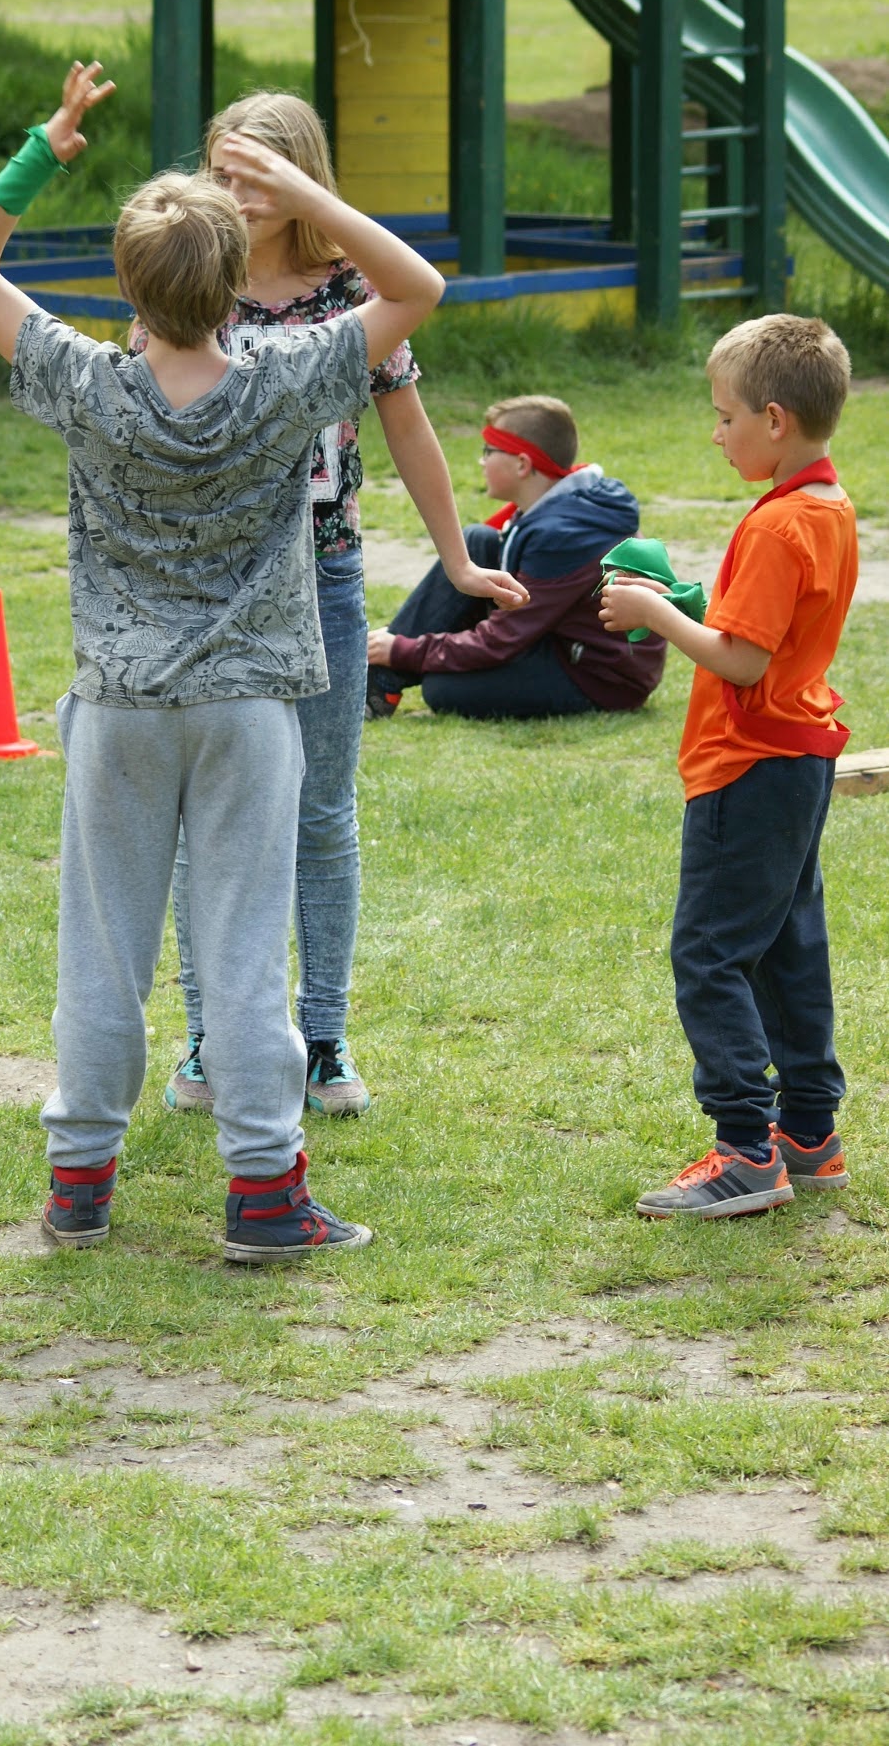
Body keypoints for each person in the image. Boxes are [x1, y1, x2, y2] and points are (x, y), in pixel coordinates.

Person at [0, 63, 450, 1262]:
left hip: (116, 707)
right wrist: (304, 194)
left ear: (124, 282)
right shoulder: (286, 376)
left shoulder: (83, 380)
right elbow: (415, 285)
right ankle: (266, 1195)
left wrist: (41, 151)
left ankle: (78, 1181)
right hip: (246, 711)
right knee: (241, 945)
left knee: (102, 945)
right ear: (237, 284)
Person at [143, 94, 523, 1122]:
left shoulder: (353, 288)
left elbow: (407, 431)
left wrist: (460, 559)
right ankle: (211, 1035)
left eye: (258, 174)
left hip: (324, 579)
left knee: (320, 813)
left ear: (301, 178)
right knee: (205, 815)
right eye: (222, 171)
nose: (236, 193)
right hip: (210, 589)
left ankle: (320, 1036)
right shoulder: (191, 280)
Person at [600, 315, 857, 1220]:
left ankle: (745, 1151)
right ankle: (808, 1134)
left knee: (708, 954)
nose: (716, 434)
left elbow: (742, 663)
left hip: (745, 766)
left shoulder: (781, 524)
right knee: (787, 944)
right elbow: (763, 633)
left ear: (775, 419)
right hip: (796, 759)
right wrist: (685, 603)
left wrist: (650, 614)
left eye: (724, 418)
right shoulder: (827, 508)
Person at [366, 394, 665, 720]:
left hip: (598, 674)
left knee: (443, 689)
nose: (481, 462)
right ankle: (381, 682)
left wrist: (403, 650)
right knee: (475, 542)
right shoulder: (563, 507)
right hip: (559, 637)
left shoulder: (562, 536)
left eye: (488, 452)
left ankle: (381, 678)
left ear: (522, 464)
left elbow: (502, 639)